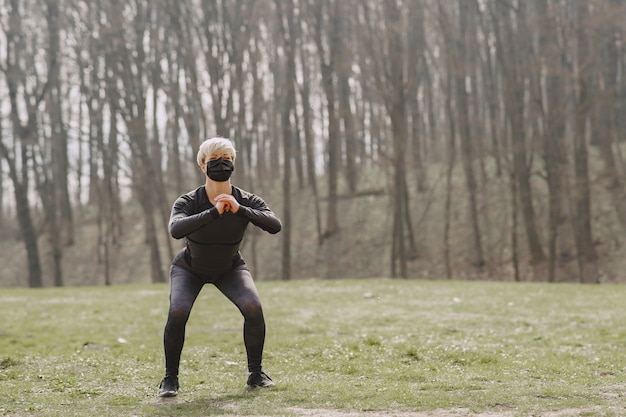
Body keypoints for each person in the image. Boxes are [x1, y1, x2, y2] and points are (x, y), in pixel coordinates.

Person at [158, 137, 282, 397]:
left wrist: (240, 209)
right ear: (202, 166)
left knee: (253, 307)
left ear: (233, 164)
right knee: (178, 310)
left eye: (226, 160)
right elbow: (175, 229)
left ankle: (256, 374)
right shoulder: (188, 201)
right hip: (189, 268)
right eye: (214, 161)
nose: (221, 165)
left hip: (230, 268)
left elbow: (274, 224)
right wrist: (214, 211)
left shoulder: (246, 199)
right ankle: (170, 379)